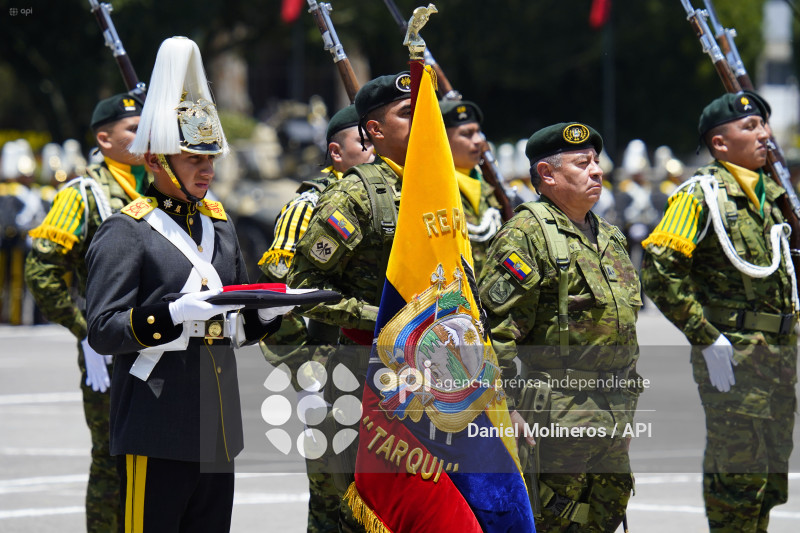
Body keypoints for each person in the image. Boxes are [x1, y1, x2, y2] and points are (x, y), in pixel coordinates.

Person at [84, 37, 283, 532]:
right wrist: (171, 314)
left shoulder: (220, 224)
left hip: (218, 426)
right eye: (194, 157)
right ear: (155, 161)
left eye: (211, 157)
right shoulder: (127, 230)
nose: (207, 168)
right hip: (156, 423)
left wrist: (267, 313)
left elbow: (233, 318)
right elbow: (104, 329)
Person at [641, 90, 797, 532]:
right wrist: (704, 336)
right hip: (735, 354)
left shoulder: (773, 197)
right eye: (750, 126)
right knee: (737, 479)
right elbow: (659, 271)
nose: (765, 134)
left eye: (764, 124)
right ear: (720, 143)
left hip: (779, 355)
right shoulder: (701, 194)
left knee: (769, 481)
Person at [478, 122, 642, 532]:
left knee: (604, 512)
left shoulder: (609, 236)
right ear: (547, 174)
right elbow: (495, 332)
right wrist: (506, 409)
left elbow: (624, 330)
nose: (597, 171)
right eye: (582, 163)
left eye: (596, 162)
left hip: (612, 409)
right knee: (558, 515)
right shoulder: (525, 235)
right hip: (557, 414)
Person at [287, 71, 412, 528]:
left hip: (434, 377)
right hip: (365, 376)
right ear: (375, 129)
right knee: (363, 513)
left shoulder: (437, 188)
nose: (422, 120)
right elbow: (304, 286)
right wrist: (380, 318)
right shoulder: (356, 194)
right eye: (407, 113)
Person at [24, 93, 148, 531]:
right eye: (133, 129)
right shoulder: (84, 194)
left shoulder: (162, 186)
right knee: (112, 457)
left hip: (162, 341)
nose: (144, 136)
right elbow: (41, 270)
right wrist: (85, 331)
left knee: (161, 459)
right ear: (104, 139)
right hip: (110, 348)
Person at [257, 103, 374, 532]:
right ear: (336, 153)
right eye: (362, 142)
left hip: (382, 369)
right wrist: (303, 369)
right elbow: (275, 294)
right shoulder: (310, 204)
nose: (372, 150)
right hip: (330, 371)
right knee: (335, 501)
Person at [439, 99, 503, 273]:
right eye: (466, 134)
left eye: (478, 132)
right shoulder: (433, 189)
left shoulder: (489, 183)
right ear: (441, 138)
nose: (478, 141)